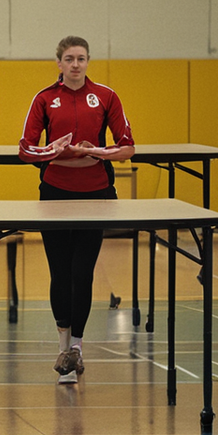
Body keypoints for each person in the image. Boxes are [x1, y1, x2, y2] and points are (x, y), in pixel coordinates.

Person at [18, 35, 134, 384]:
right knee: (60, 272)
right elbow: (25, 149)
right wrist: (52, 149)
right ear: (59, 63)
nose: (75, 64)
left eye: (81, 58)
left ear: (88, 62)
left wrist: (99, 152)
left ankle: (78, 349)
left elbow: (127, 146)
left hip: (96, 194)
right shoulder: (44, 98)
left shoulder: (107, 97)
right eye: (69, 59)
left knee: (82, 272)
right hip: (54, 193)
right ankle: (63, 346)